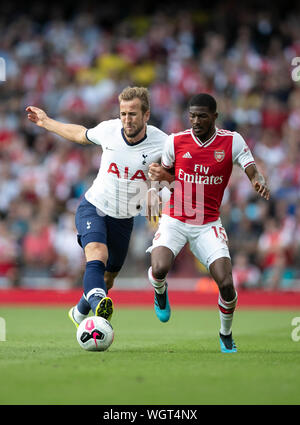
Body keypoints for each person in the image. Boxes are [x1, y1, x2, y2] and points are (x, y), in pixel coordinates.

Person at [26, 86, 171, 326]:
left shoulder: (162, 142)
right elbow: (80, 134)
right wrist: (46, 121)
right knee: (96, 253)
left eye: (133, 114)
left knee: (109, 277)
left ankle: (80, 310)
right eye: (123, 113)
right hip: (94, 206)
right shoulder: (109, 130)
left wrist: (156, 188)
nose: (126, 119)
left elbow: (173, 173)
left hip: (124, 218)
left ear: (146, 115)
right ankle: (100, 307)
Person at [147, 93, 270, 353]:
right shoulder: (176, 141)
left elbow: (250, 166)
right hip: (176, 217)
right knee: (159, 268)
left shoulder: (232, 141)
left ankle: (225, 333)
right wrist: (153, 189)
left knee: (226, 282)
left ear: (215, 116)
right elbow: (166, 177)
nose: (196, 120)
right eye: (192, 115)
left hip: (208, 223)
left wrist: (256, 179)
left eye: (202, 116)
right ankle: (160, 291)